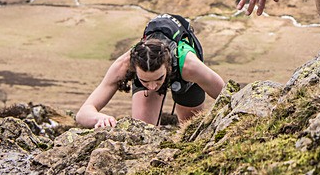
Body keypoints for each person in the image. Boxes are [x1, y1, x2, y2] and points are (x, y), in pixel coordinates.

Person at [76, 14, 225, 128]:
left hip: (183, 77)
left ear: (167, 67)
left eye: (158, 79)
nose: (153, 86)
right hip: (157, 68)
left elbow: (229, 97)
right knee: (143, 130)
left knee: (190, 129)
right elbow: (83, 113)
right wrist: (99, 118)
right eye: (145, 80)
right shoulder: (123, 65)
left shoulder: (189, 66)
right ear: (134, 70)